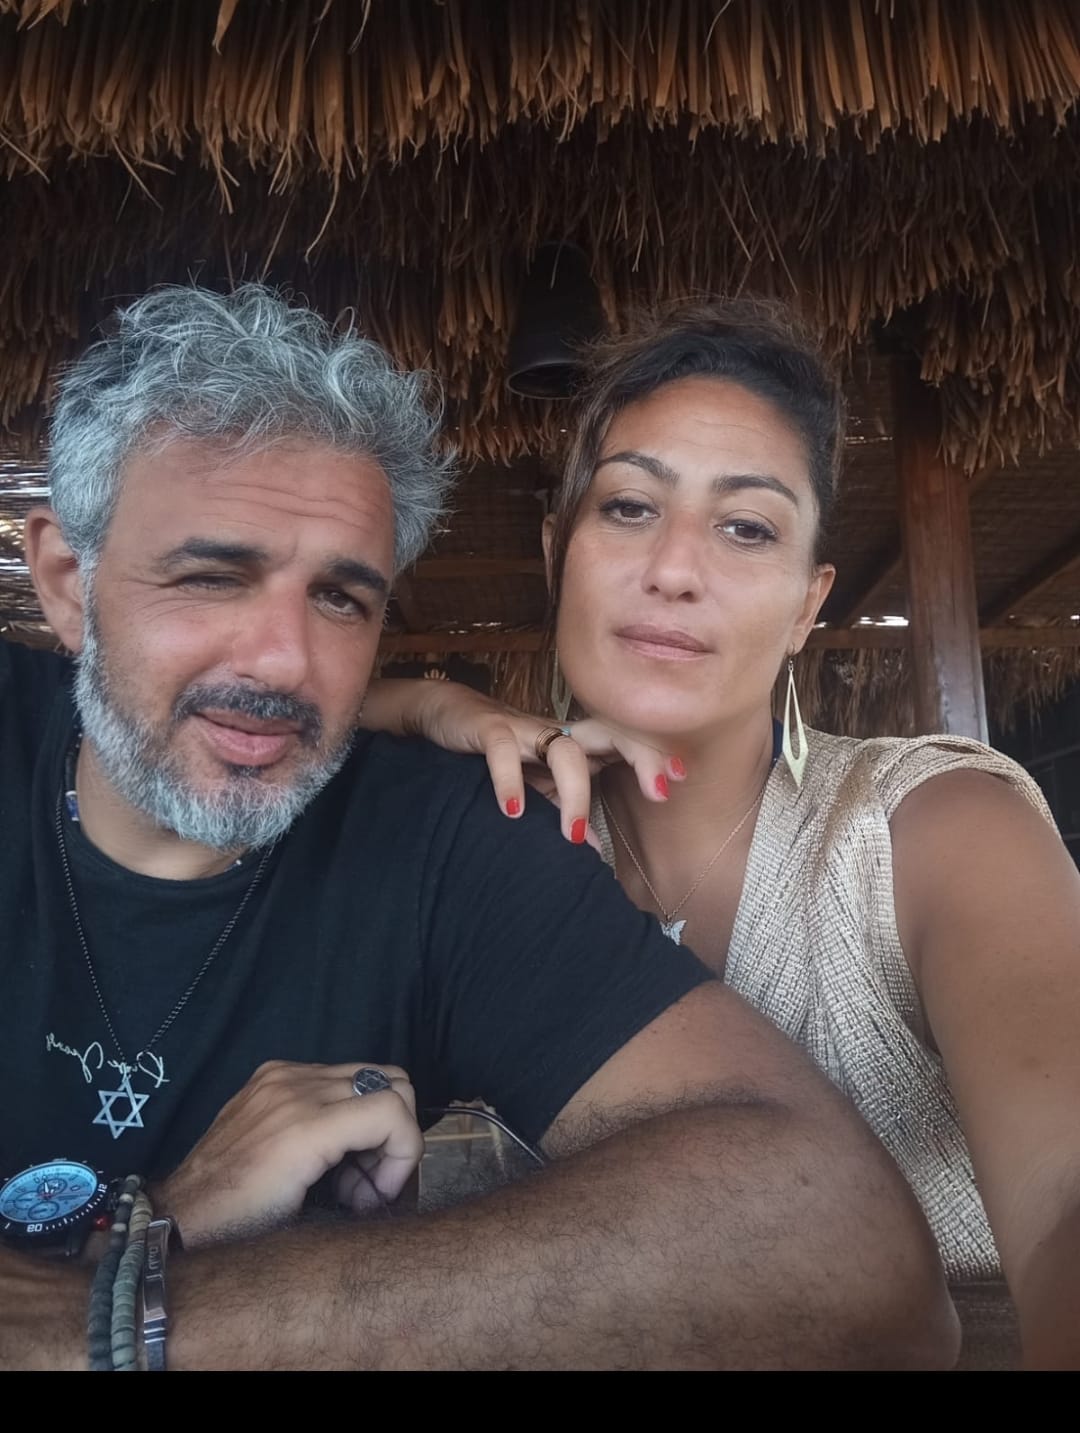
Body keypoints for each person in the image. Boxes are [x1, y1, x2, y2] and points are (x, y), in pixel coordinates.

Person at [0, 284, 956, 1371]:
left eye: (342, 599)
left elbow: (839, 1246)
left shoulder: (449, 841)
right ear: (66, 581)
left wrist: (107, 1320)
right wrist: (149, 1237)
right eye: (212, 575)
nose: (283, 661)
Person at [361, 299, 1080, 1369]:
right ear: (558, 552)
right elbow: (261, 739)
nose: (675, 568)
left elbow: (1065, 1193)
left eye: (747, 527)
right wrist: (424, 703)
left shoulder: (931, 830)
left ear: (806, 604)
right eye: (629, 507)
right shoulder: (485, 846)